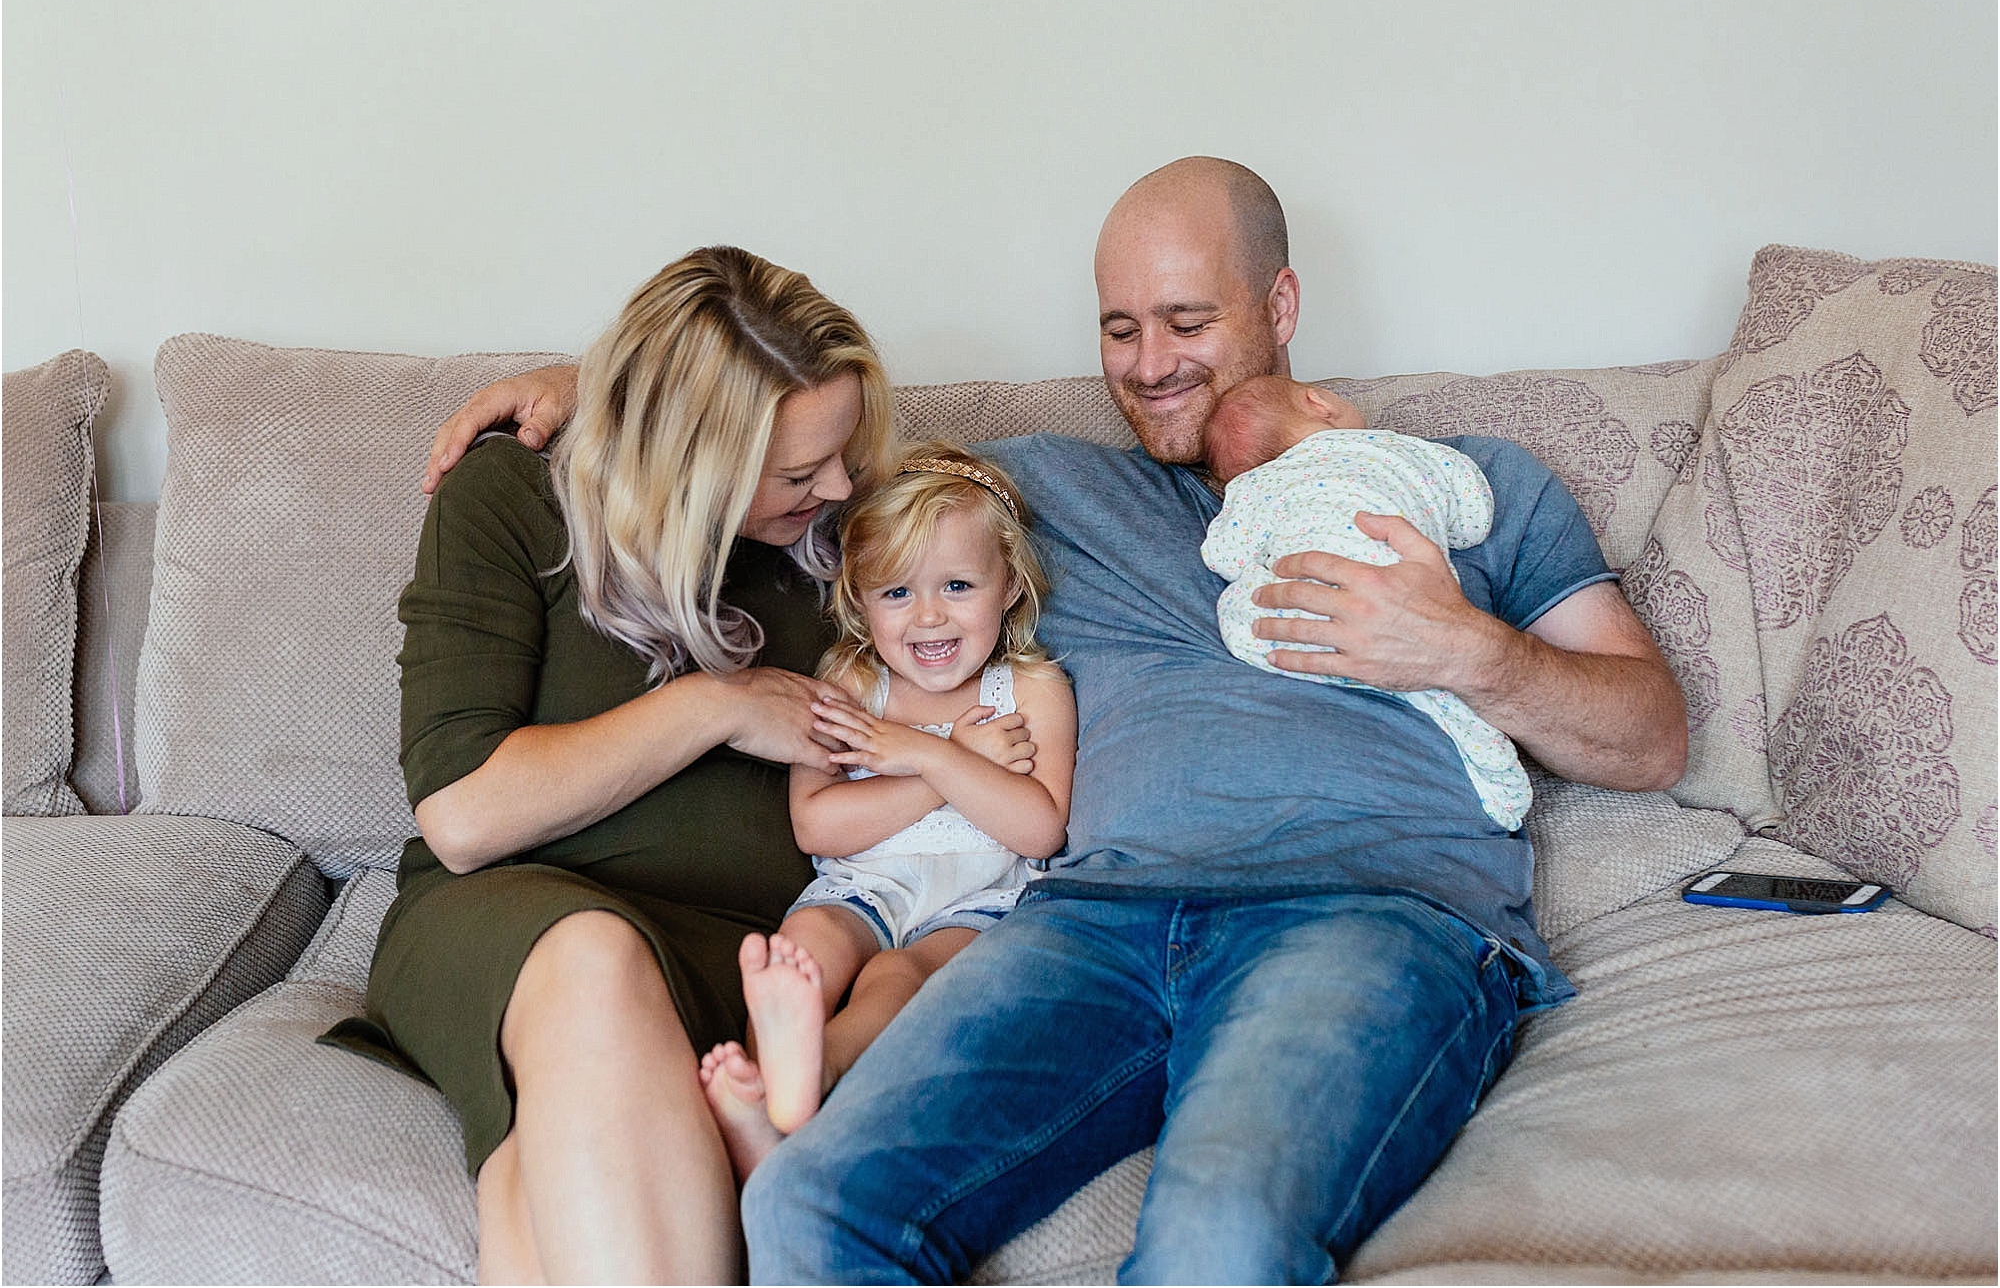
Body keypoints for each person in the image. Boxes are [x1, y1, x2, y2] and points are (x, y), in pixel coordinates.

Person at [425, 157, 1687, 1284]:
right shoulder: (1038, 493)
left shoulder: (1462, 489)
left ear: (1280, 305)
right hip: (1085, 923)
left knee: (1217, 1242)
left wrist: (1465, 647)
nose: (1148, 363)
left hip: (1362, 913)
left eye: (1187, 321)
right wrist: (612, 390)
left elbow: (1649, 735)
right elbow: (788, 452)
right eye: (1119, 328)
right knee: (808, 1205)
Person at [321, 244, 896, 1283]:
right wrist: (714, 705)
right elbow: (463, 813)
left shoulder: (862, 539)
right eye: (797, 473)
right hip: (511, 926)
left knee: (534, 1196)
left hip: (744, 965)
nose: (840, 484)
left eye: (842, 452)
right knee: (595, 958)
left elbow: (994, 544)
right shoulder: (511, 497)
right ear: (690, 457)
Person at [698, 439, 1077, 1182]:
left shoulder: (1030, 688)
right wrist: (944, 762)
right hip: (860, 885)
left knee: (897, 976)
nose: (929, 617)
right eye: (897, 592)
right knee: (802, 948)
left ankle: (816, 1072)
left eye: (958, 585)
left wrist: (931, 754)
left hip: (975, 905)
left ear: (1008, 585)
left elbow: (1039, 829)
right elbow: (817, 825)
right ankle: (768, 1090)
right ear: (859, 599)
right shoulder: (849, 682)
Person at [1201, 373, 1532, 830]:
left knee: (1240, 611)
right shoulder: (1408, 451)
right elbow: (1475, 520)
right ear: (1319, 403)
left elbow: (1225, 556)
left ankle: (1343, 676)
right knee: (1441, 693)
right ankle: (1498, 779)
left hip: (1310, 605)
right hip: (1409, 593)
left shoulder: (1258, 486)